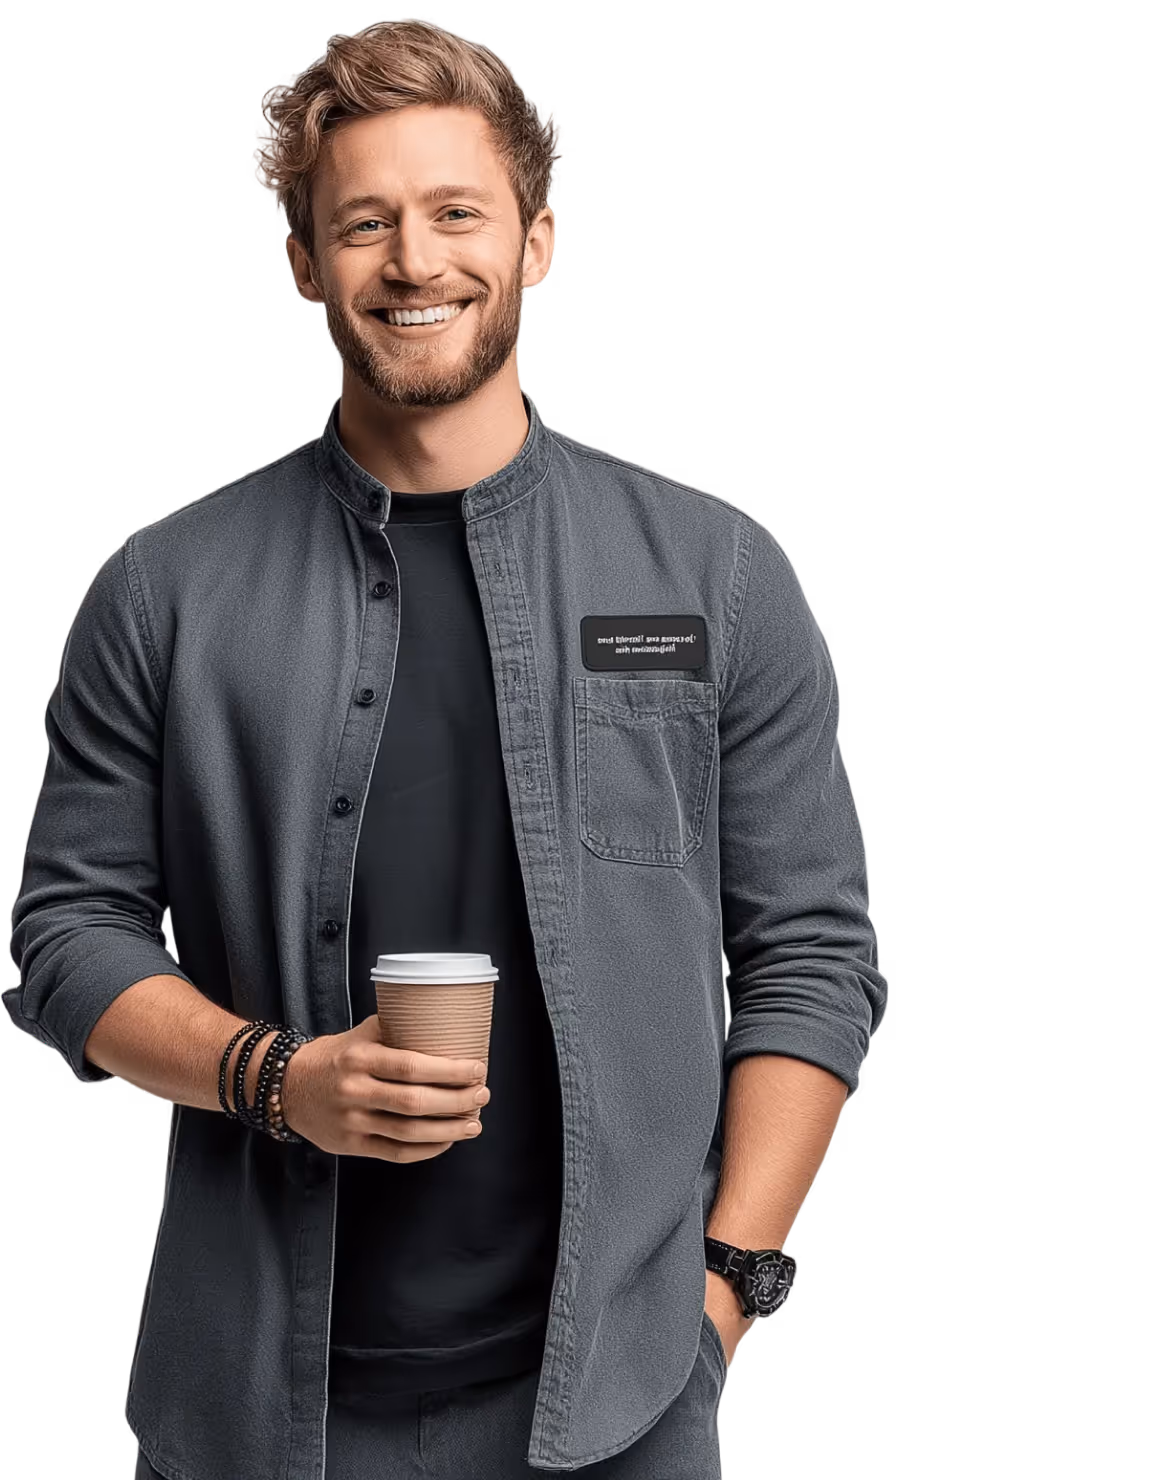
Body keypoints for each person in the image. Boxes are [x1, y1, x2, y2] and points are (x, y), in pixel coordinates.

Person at [2, 17, 888, 1480]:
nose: (413, 262)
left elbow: (810, 950)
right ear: (305, 263)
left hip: (624, 1408)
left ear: (536, 241)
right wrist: (275, 1076)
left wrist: (729, 1289)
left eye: (457, 213)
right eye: (364, 223)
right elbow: (66, 932)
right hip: (251, 1425)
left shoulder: (714, 574)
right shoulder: (162, 589)